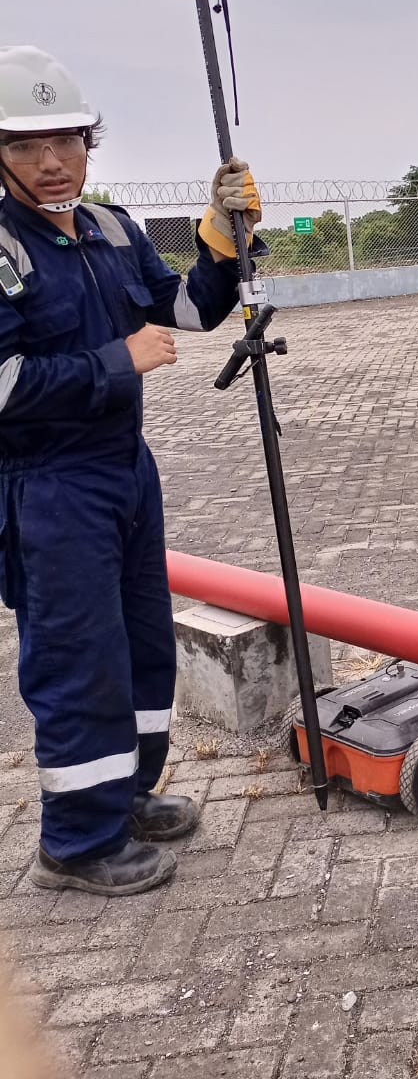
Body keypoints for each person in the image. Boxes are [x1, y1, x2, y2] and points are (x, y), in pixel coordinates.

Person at [0, 45, 264, 894]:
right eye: (26, 146)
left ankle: (128, 793)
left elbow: (185, 309)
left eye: (67, 142)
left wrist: (224, 243)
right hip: (48, 486)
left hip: (124, 471)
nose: (51, 164)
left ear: (89, 143)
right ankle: (75, 842)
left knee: (144, 645)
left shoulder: (111, 226)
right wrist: (117, 361)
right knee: (80, 659)